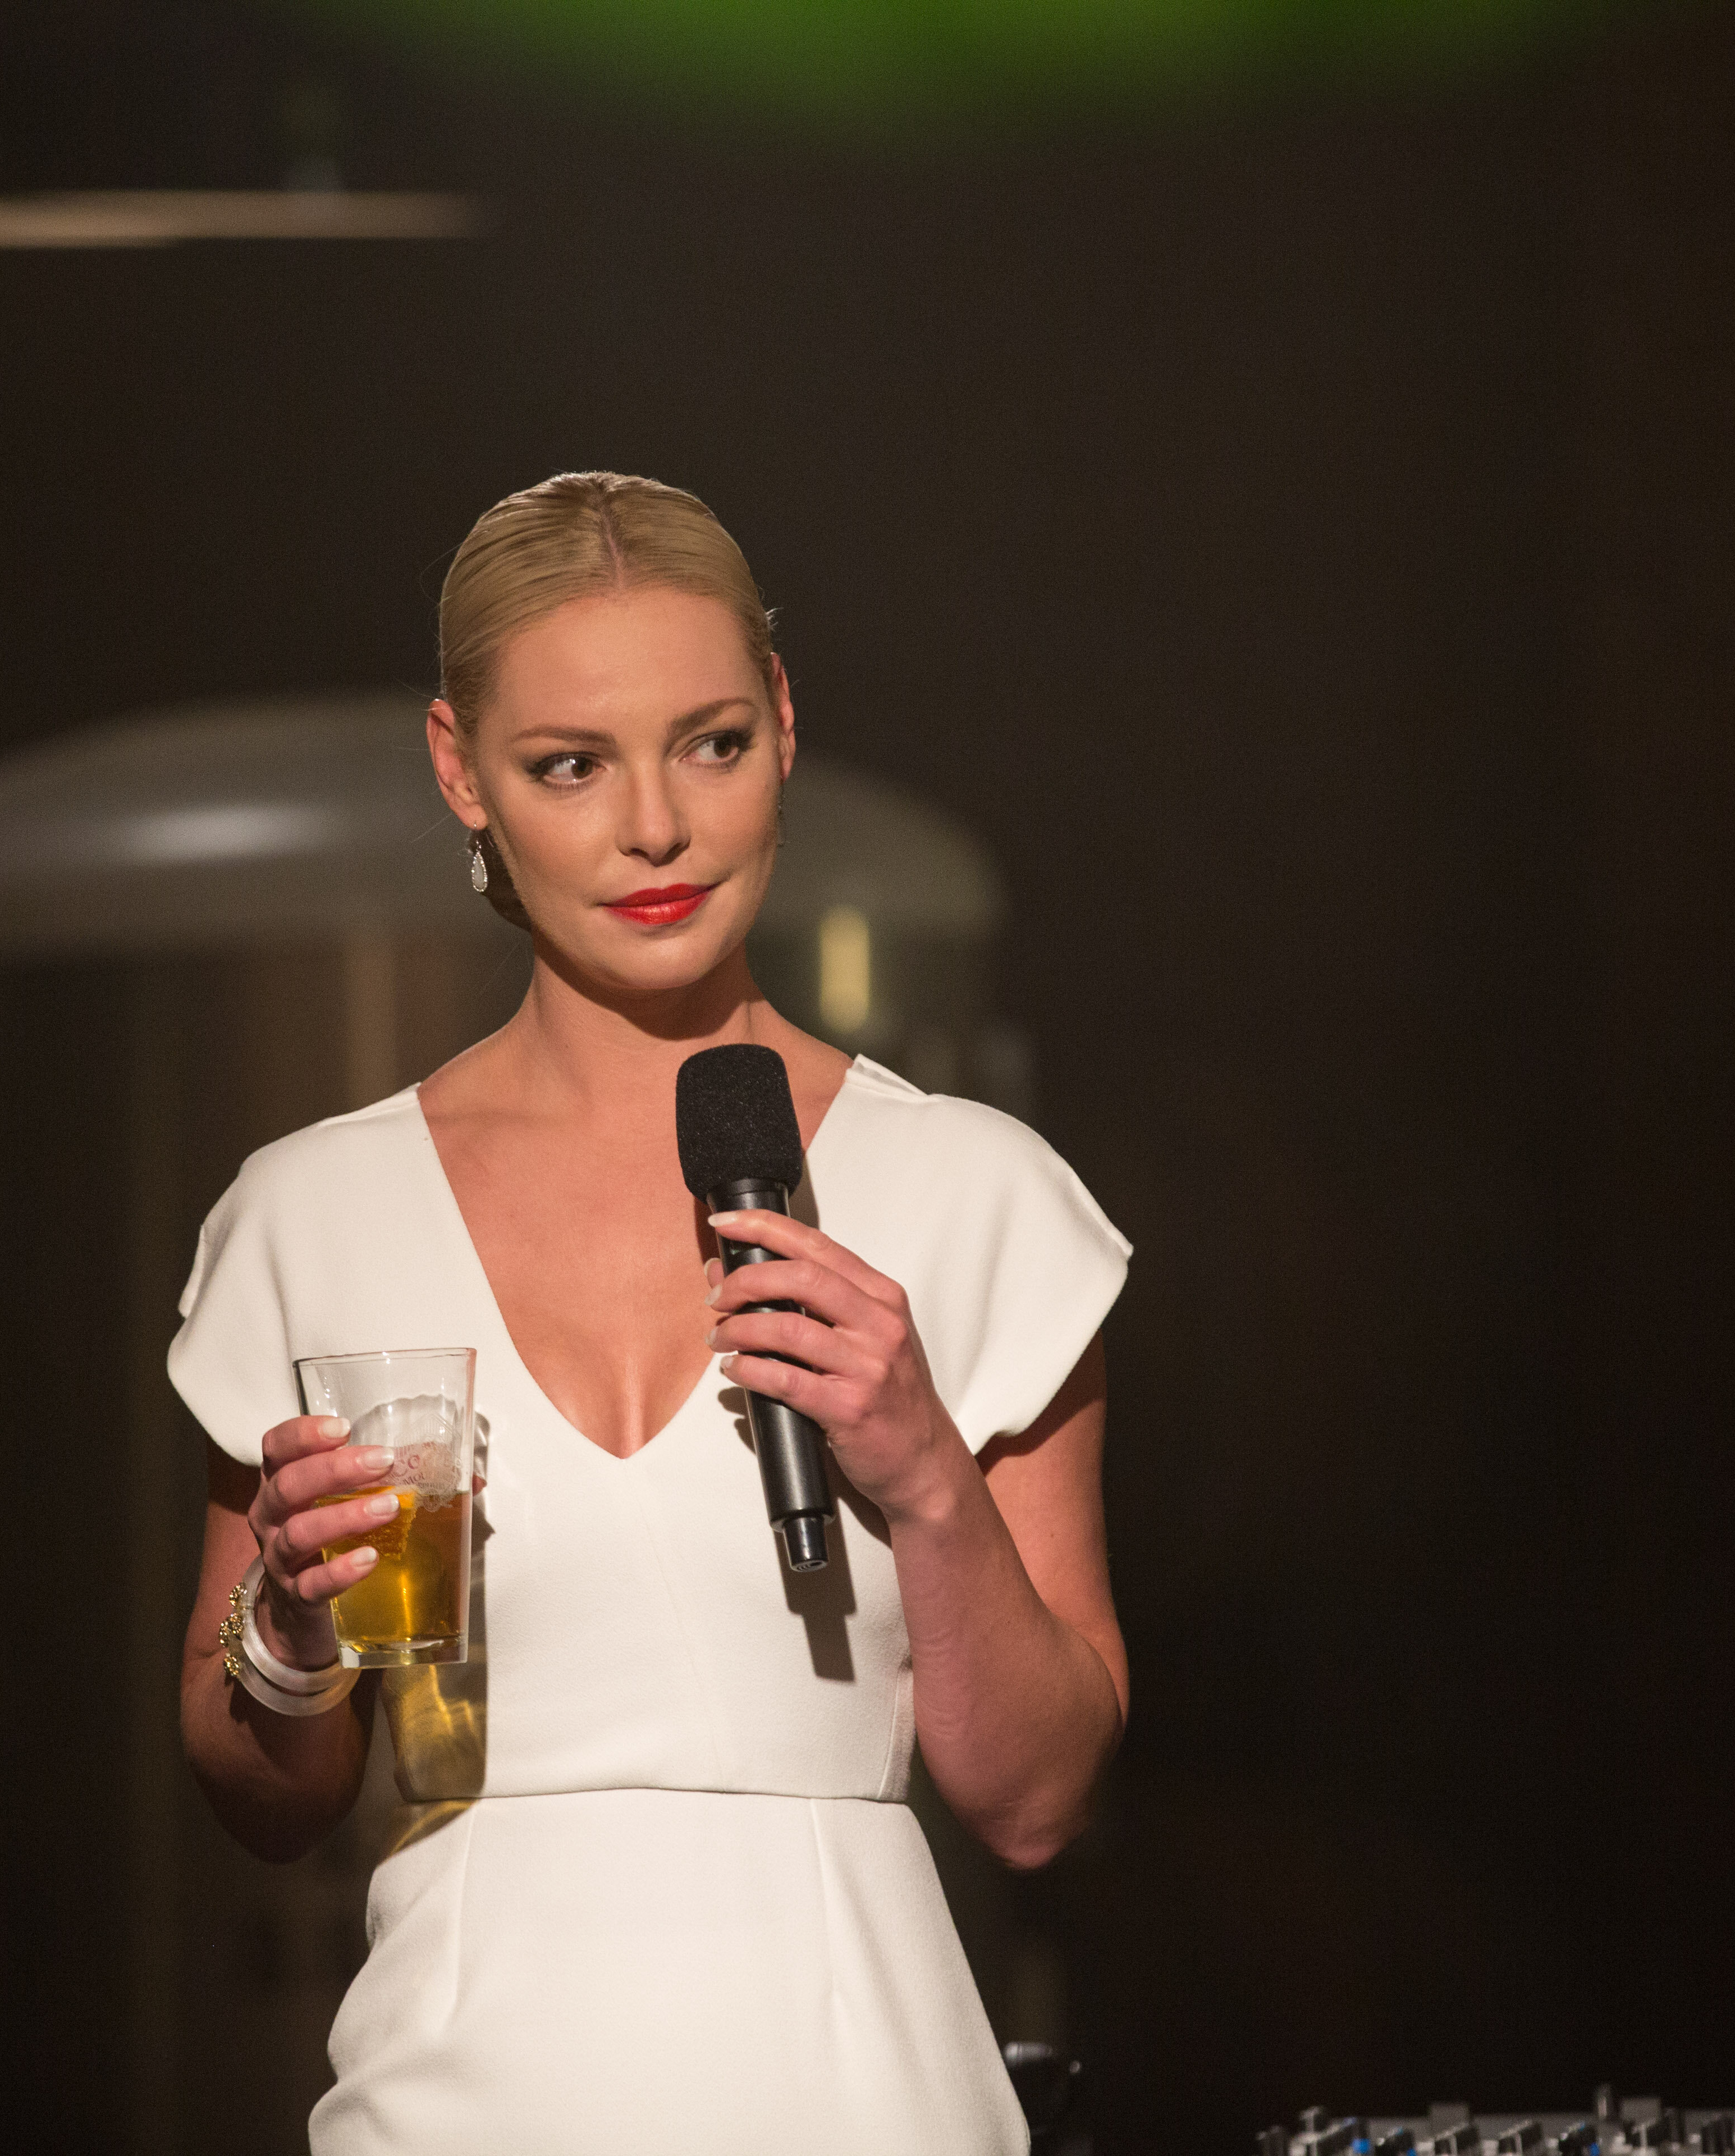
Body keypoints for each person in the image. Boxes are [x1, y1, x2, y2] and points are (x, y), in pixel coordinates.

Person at [170, 473, 1129, 2154]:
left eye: (711, 745)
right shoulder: (313, 1214)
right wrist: (298, 1632)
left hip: (863, 2104)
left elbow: (1040, 1801)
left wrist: (923, 1471)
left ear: (784, 726)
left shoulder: (973, 1193)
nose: (657, 829)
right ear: (462, 772)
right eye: (570, 765)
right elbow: (261, 1797)